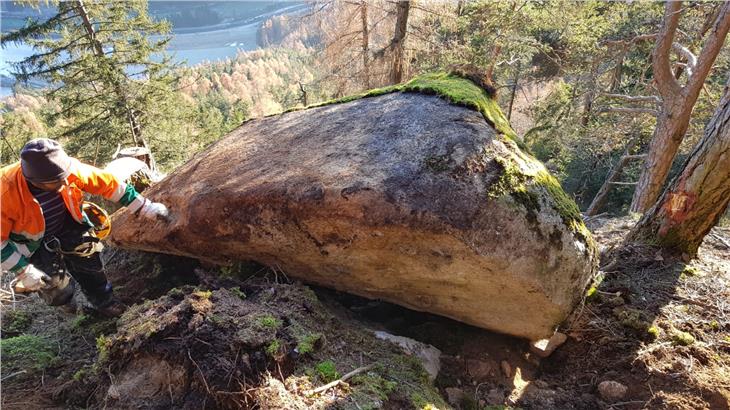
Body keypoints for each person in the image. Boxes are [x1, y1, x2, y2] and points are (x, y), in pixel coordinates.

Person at [1, 138, 169, 317]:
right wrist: (23, 270)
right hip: (32, 243)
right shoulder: (5, 193)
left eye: (65, 177)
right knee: (53, 286)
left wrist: (144, 206)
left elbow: (108, 184)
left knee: (91, 266)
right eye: (56, 182)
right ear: (35, 181)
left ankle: (105, 302)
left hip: (68, 223)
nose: (66, 182)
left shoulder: (66, 168)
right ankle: (66, 303)